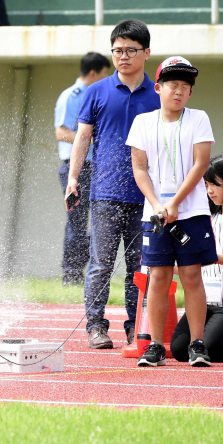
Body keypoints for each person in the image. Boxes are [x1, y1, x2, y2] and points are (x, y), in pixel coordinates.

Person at [65, 19, 161, 349]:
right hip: (105, 193)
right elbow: (82, 138)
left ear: (146, 53)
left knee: (140, 267)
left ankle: (137, 328)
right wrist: (74, 178)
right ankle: (96, 326)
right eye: (117, 50)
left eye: (131, 50)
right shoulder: (96, 91)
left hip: (147, 197)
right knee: (101, 264)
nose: (123, 56)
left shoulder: (159, 95)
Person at [129, 56, 216, 367]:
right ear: (158, 87)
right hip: (154, 213)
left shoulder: (198, 118)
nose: (179, 91)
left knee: (192, 275)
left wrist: (176, 202)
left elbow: (201, 164)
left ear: (190, 93)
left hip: (191, 210)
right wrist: (156, 204)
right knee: (159, 276)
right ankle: (154, 345)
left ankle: (197, 343)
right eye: (173, 85)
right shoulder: (142, 122)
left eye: (185, 86)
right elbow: (139, 169)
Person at [170, 154, 223, 363]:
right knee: (179, 350)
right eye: (206, 185)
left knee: (211, 351)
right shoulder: (208, 216)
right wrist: (168, 267)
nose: (209, 191)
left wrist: (216, 258)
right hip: (204, 301)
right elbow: (197, 265)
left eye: (215, 184)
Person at [55, 52, 110, 285]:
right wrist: (87, 139)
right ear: (93, 73)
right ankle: (71, 273)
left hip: (93, 168)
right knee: (77, 222)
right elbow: (61, 132)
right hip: (75, 168)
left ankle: (82, 270)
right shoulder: (74, 95)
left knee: (99, 219)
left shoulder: (92, 94)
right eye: (104, 74)